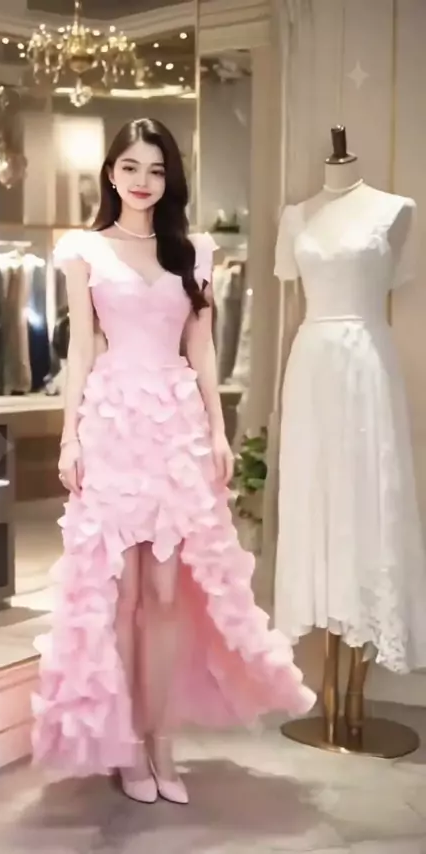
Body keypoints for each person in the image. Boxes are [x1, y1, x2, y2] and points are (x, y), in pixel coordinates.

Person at [31, 118, 315, 804]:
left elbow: (203, 346)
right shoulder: (85, 250)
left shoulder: (193, 251)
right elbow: (80, 350)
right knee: (124, 595)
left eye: (155, 170)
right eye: (130, 167)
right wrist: (69, 438)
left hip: (175, 427)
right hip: (111, 425)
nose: (142, 181)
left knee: (163, 596)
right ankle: (128, 745)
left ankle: (161, 742)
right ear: (110, 173)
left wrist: (218, 430)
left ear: (170, 179)